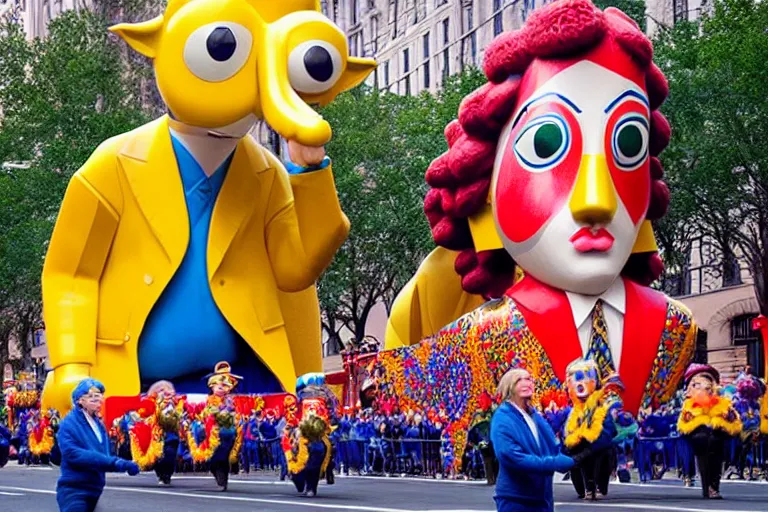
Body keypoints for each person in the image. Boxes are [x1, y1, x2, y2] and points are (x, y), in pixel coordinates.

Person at [491, 368, 585, 512]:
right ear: (509, 386)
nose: (526, 383)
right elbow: (512, 457)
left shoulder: (535, 416)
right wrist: (555, 463)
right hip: (516, 500)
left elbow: (551, 448)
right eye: (519, 380)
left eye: (528, 379)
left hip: (542, 499)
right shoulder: (502, 418)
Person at [56, 378, 140, 512]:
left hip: (94, 489)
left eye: (98, 395)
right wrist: (116, 463)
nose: (96, 399)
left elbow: (104, 457)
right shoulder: (69, 423)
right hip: (74, 490)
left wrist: (122, 464)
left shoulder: (98, 424)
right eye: (90, 396)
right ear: (79, 400)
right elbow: (74, 454)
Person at [678, 364, 741, 499]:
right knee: (703, 449)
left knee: (716, 451)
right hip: (699, 436)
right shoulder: (689, 405)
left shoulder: (722, 403)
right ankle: (708, 487)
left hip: (717, 435)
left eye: (708, 385)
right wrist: (698, 421)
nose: (704, 389)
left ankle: (713, 487)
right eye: (698, 384)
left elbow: (734, 421)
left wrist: (725, 419)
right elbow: (684, 424)